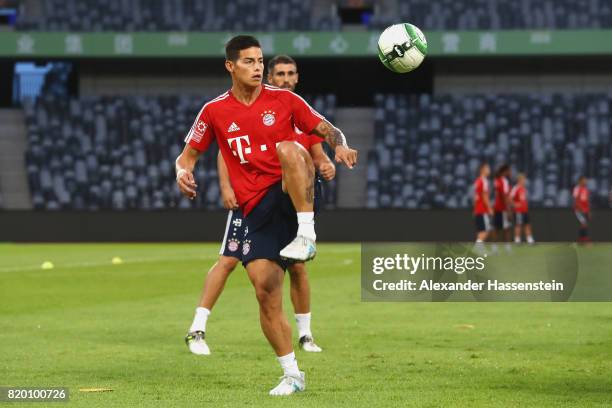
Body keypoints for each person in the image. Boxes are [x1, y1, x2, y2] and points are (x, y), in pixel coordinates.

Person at [175, 36, 357, 396]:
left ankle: (307, 232)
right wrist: (181, 173)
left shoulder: (285, 100)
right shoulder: (214, 111)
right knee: (265, 290)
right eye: (249, 61)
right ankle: (292, 374)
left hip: (292, 192)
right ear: (231, 66)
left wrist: (340, 145)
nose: (258, 67)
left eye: (260, 61)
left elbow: (327, 129)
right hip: (255, 206)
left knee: (288, 147)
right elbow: (187, 156)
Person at [185, 54, 334, 358]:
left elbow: (317, 153)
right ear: (270, 77)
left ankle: (305, 335)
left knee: (298, 267)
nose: (286, 79)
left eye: (291, 73)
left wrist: (326, 162)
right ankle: (197, 327)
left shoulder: (300, 113)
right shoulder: (257, 108)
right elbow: (229, 149)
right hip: (253, 197)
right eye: (279, 73)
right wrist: (227, 186)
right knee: (229, 259)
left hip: (290, 201)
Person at [492, 164, 513, 252]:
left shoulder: (496, 180)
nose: (511, 173)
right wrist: (508, 210)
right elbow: (504, 196)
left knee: (496, 228)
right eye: (509, 171)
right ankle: (507, 248)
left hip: (496, 207)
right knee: (506, 229)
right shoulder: (504, 181)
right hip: (503, 209)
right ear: (506, 171)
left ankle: (494, 248)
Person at [510, 173, 534, 244]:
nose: (524, 181)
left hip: (525, 210)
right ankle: (517, 240)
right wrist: (514, 204)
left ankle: (529, 240)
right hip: (518, 211)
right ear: (519, 180)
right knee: (518, 225)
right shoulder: (516, 188)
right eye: (523, 179)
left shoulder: (523, 188)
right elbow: (510, 198)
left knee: (527, 224)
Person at [473, 163, 493, 248]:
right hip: (482, 210)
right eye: (487, 168)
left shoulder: (477, 181)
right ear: (482, 170)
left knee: (481, 231)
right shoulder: (484, 181)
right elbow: (485, 196)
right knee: (486, 230)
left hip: (478, 209)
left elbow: (475, 197)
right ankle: (477, 248)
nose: (489, 170)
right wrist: (489, 209)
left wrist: (474, 209)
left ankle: (479, 249)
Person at [573, 176, 590, 243]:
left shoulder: (586, 189)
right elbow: (576, 199)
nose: (585, 181)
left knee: (584, 224)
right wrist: (580, 208)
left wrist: (588, 211)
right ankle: (583, 239)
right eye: (584, 180)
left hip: (585, 210)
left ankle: (582, 239)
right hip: (579, 210)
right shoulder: (577, 188)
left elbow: (586, 201)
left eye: (585, 180)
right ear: (580, 181)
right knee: (584, 223)